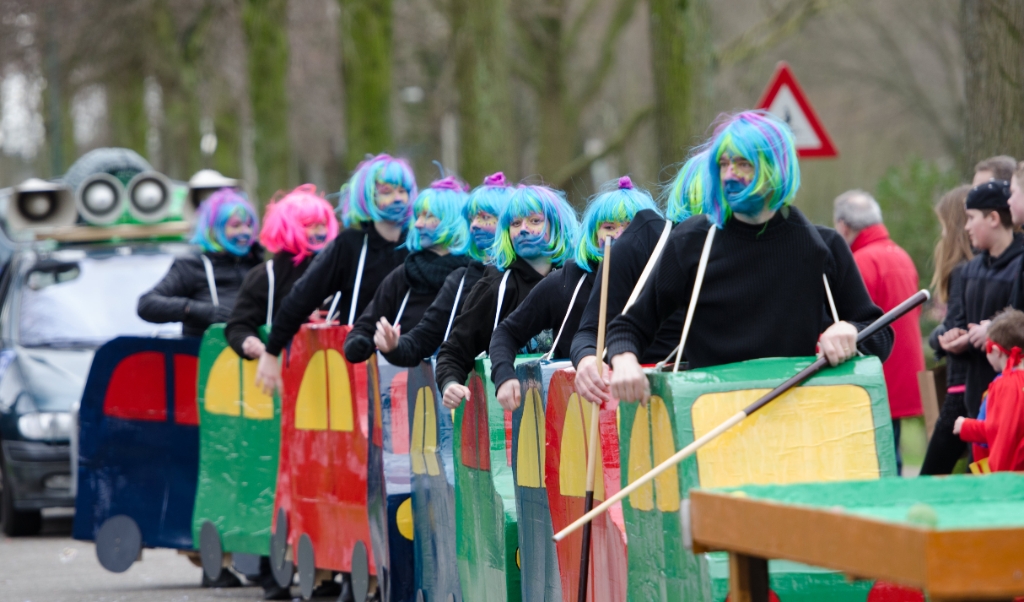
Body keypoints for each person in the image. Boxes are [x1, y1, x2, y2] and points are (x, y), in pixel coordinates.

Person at [603, 110, 893, 405]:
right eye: (724, 164)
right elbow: (629, 327)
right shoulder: (692, 243)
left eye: (743, 164)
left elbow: (881, 336)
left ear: (775, 169)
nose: (730, 175)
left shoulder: (823, 247)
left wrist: (850, 331)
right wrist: (625, 360)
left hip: (801, 425)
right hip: (711, 423)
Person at [489, 176, 660, 411]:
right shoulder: (565, 283)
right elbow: (506, 333)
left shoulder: (667, 279)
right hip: (577, 420)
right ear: (592, 234)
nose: (621, 237)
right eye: (609, 227)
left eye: (630, 228)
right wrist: (504, 376)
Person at [254, 154, 416, 394]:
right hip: (357, 369)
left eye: (403, 191)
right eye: (387, 191)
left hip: (412, 368)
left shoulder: (418, 246)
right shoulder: (349, 246)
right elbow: (301, 297)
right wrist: (271, 352)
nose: (397, 198)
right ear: (368, 196)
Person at [570, 152, 706, 405]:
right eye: (609, 226)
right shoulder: (637, 244)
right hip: (648, 397)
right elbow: (592, 332)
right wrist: (589, 360)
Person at [434, 183, 579, 409]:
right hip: (510, 417)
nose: (523, 229)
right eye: (515, 223)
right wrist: (450, 383)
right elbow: (454, 350)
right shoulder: (495, 287)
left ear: (556, 227)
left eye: (534, 221)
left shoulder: (578, 282)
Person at [374, 172, 512, 367]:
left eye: (484, 217)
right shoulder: (461, 280)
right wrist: (394, 346)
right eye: (471, 218)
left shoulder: (535, 276)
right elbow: (425, 337)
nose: (474, 226)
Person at [833, 190, 924, 472]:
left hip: (879, 372)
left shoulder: (861, 261)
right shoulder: (900, 255)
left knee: (878, 458)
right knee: (890, 448)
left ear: (844, 227)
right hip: (902, 371)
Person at [344, 175, 471, 363]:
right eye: (418, 216)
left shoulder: (474, 276)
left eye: (428, 217)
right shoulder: (406, 274)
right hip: (404, 386)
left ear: (453, 221)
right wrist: (361, 343)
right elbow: (366, 327)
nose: (418, 224)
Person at [939, 180, 1023, 421]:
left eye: (971, 217)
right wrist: (957, 337)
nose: (966, 227)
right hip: (976, 395)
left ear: (993, 219)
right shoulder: (967, 270)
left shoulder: (1019, 265)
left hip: (1011, 394)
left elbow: (1018, 318)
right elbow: (961, 319)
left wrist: (993, 330)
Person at [225, 184, 339, 361]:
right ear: (287, 227)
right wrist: (249, 342)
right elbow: (238, 325)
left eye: (323, 224)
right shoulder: (265, 276)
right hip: (278, 376)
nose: (321, 232)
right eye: (311, 225)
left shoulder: (339, 270)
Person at [138, 188, 263, 339]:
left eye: (249, 225)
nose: (246, 232)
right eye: (236, 225)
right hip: (202, 358)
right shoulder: (191, 266)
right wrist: (198, 311)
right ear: (214, 230)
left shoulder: (258, 267)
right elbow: (146, 304)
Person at [920, 185, 974, 475]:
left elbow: (954, 327)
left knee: (929, 479)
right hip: (974, 391)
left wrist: (938, 338)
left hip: (960, 390)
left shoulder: (963, 273)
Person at [953, 308, 1024, 472]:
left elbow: (1000, 430)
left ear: (996, 351)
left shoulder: (1005, 385)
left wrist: (966, 426)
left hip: (1010, 478)